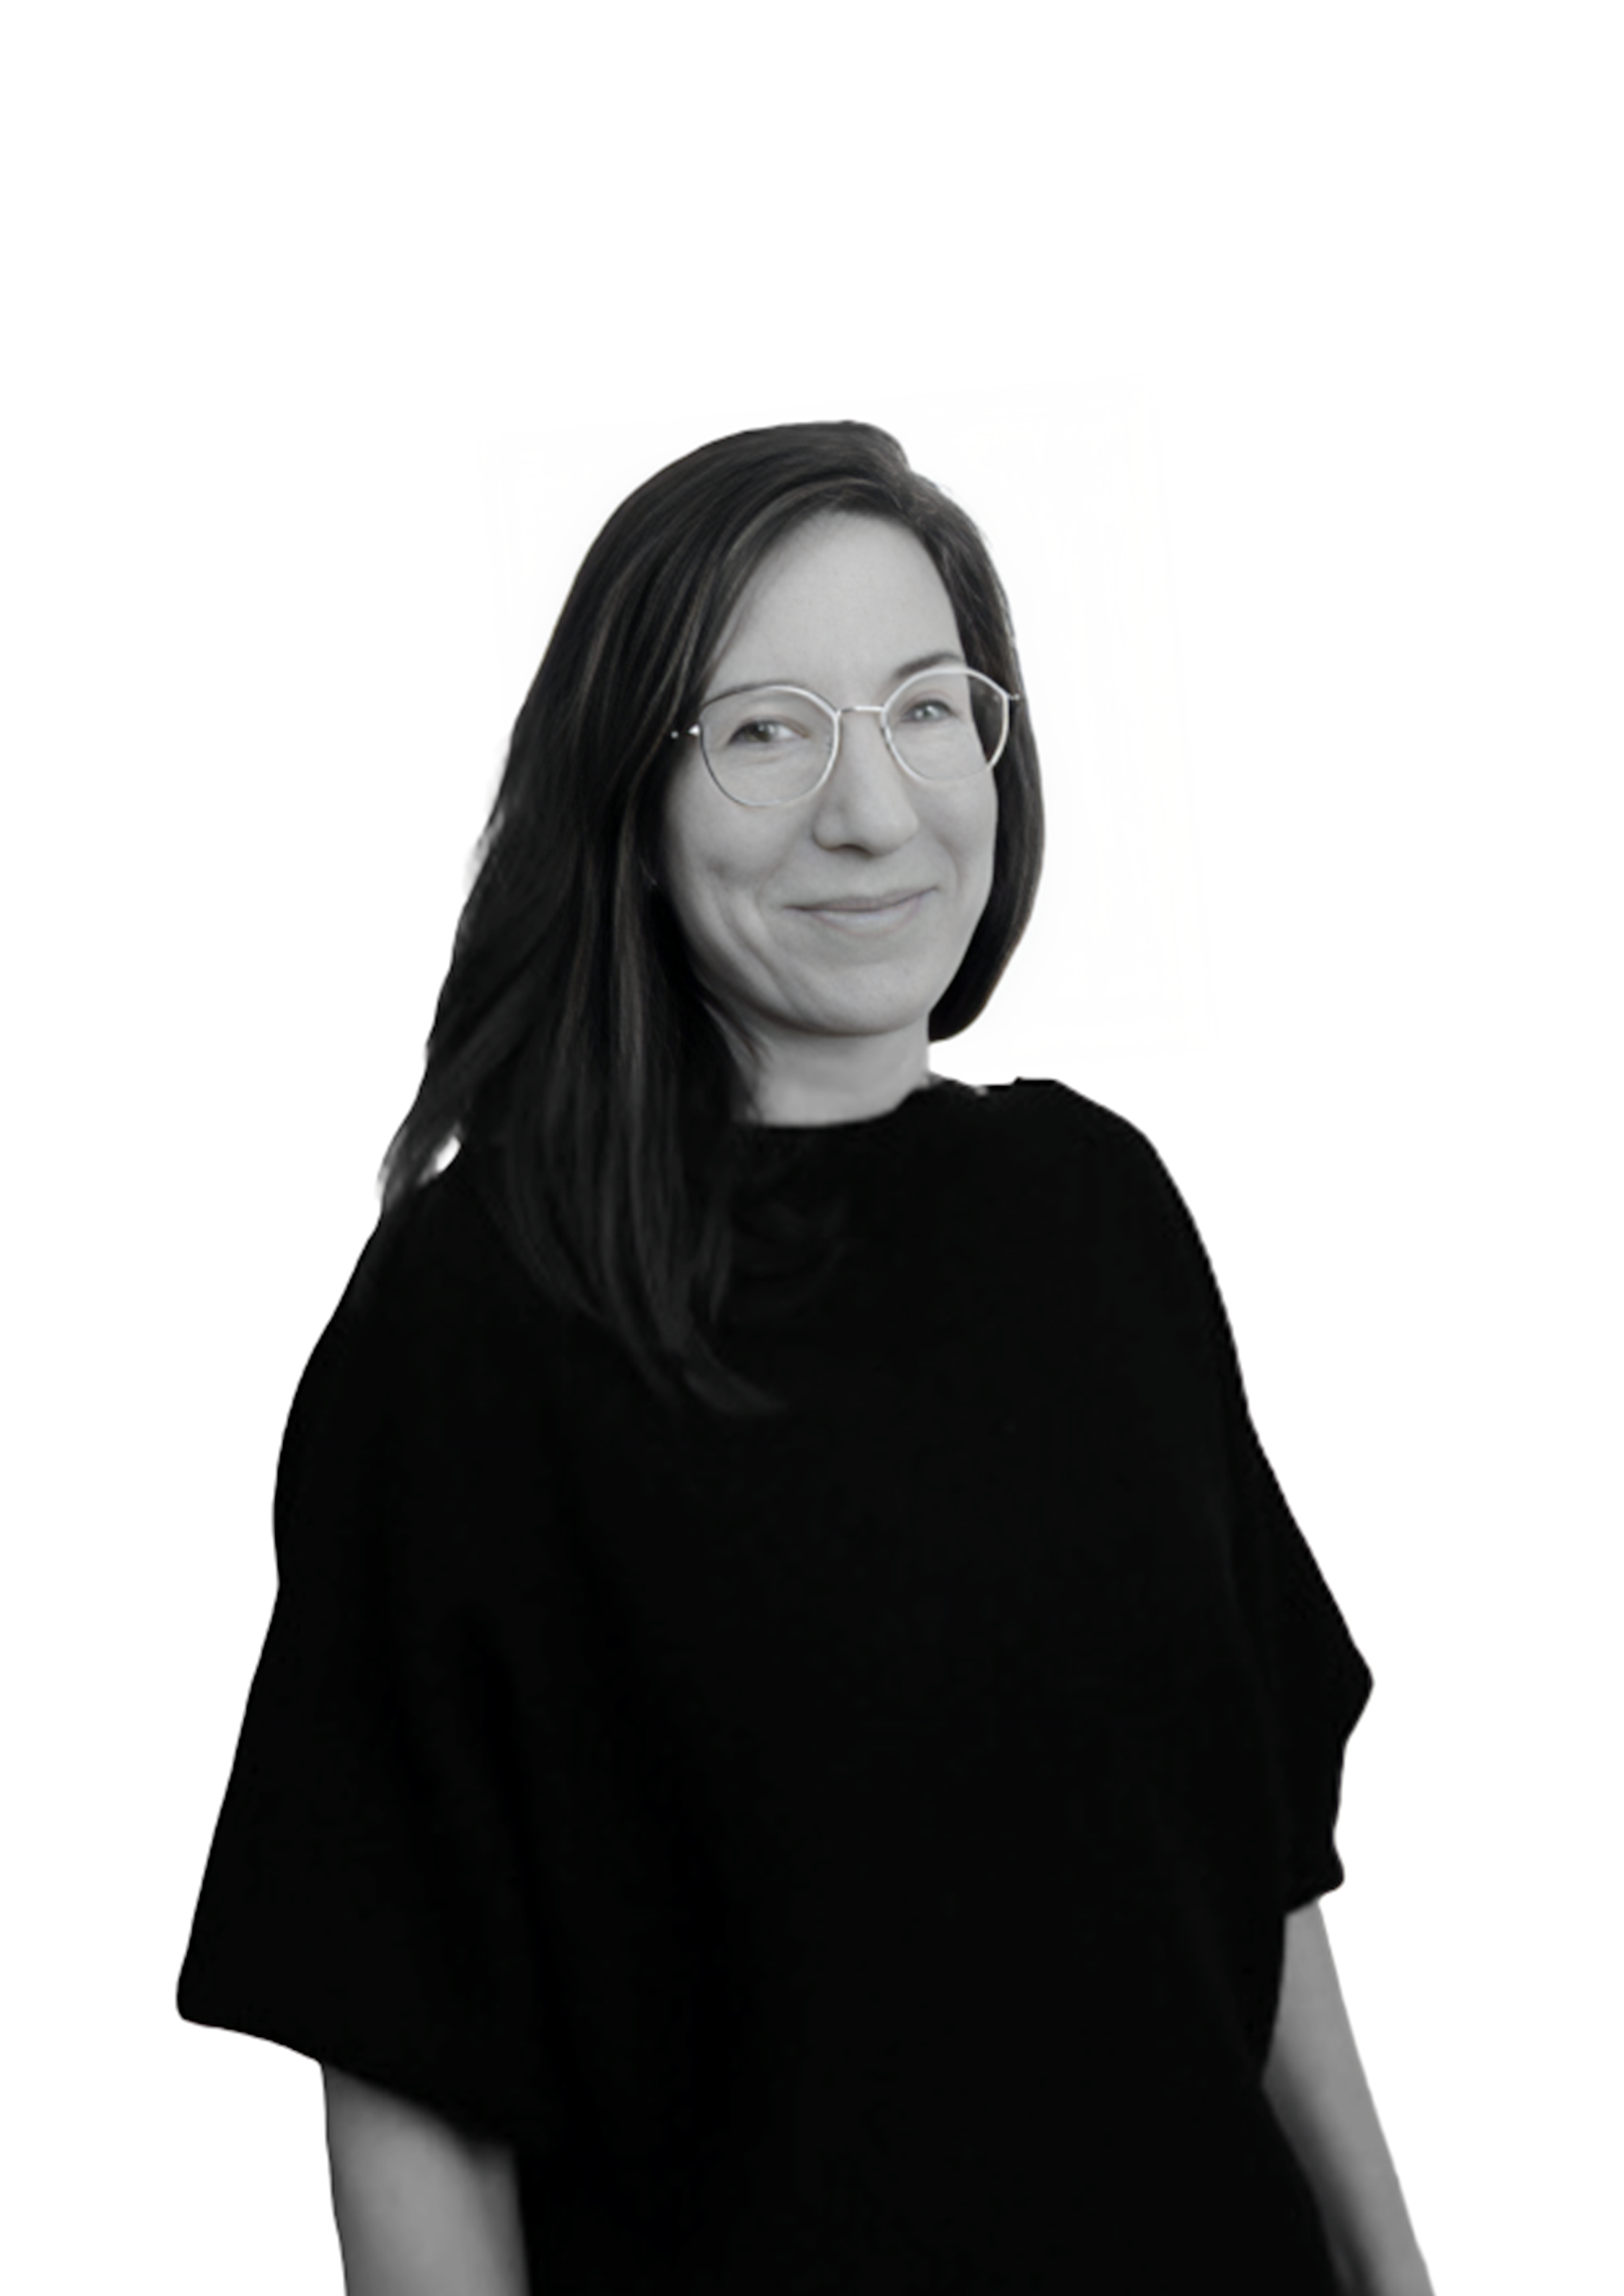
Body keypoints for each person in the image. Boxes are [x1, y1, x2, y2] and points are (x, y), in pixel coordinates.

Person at [177, 421, 1436, 2294]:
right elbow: (413, 2063)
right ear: (629, 796)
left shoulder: (1098, 1210)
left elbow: (1246, 1874)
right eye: (767, 730)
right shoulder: (481, 1315)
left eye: (929, 709)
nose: (873, 810)